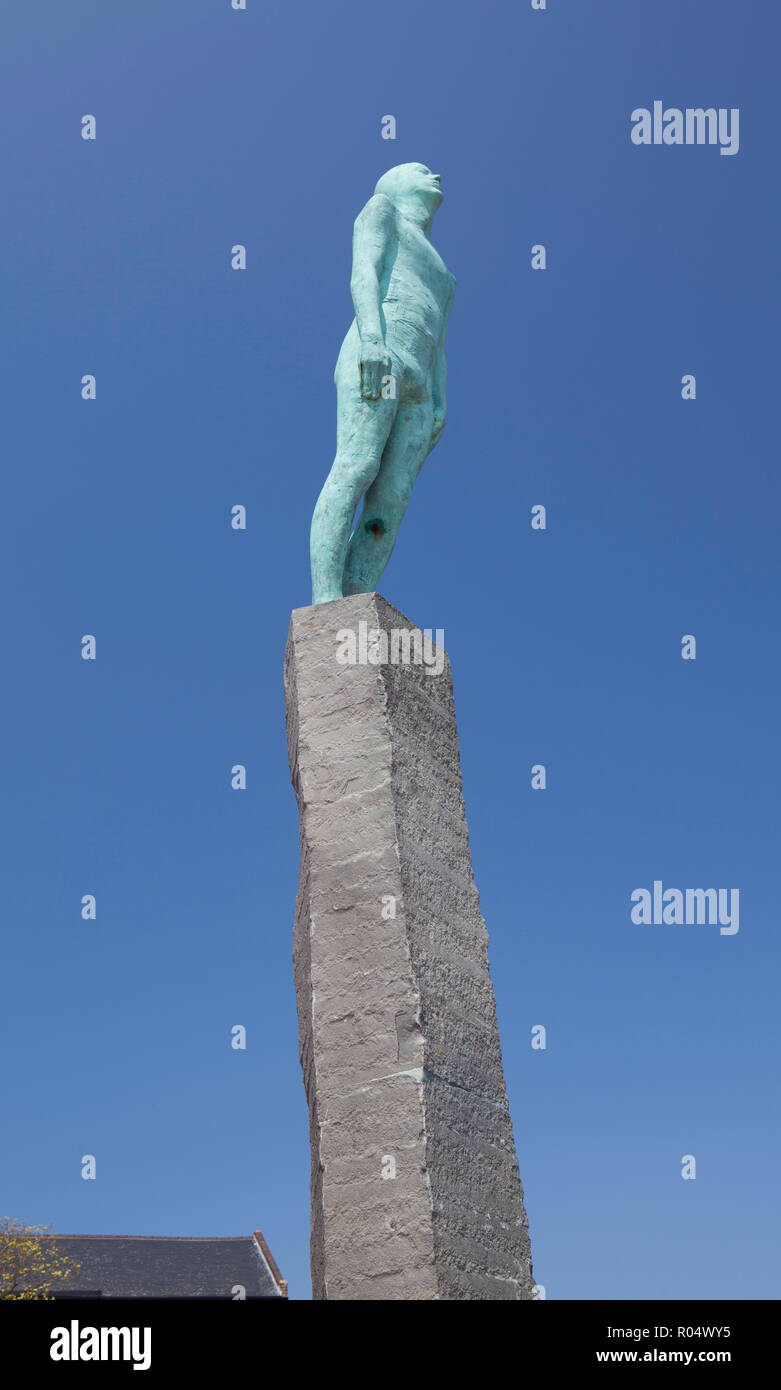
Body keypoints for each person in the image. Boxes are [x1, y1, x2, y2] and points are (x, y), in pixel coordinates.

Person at [310, 163, 456, 604]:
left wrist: (439, 402)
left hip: (420, 379)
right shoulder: (382, 211)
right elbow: (364, 273)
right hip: (381, 347)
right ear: (393, 181)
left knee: (391, 499)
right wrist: (373, 339)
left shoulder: (447, 278)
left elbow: (442, 344)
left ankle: (356, 599)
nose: (437, 177)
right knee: (356, 467)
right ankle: (326, 601)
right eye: (423, 170)